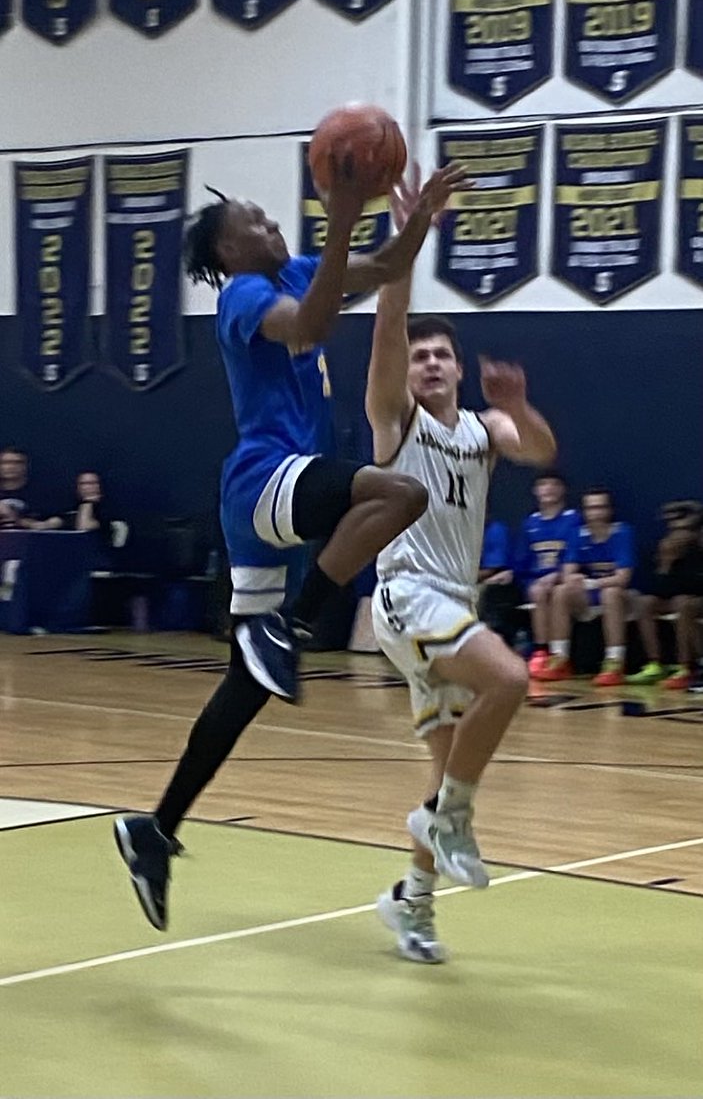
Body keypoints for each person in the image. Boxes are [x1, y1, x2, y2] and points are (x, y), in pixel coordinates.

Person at [114, 155, 465, 931]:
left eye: (274, 218)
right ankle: (298, 621)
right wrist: (338, 219)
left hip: (280, 493)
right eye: (258, 222)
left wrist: (417, 220)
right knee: (401, 492)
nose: (273, 226)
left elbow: (385, 266)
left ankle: (156, 829)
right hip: (265, 479)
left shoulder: (298, 270)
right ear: (229, 249)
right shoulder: (243, 295)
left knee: (246, 686)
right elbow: (309, 325)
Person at [367, 203, 556, 963]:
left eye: (442, 354)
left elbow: (538, 450)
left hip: (450, 601)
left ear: (456, 365)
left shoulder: (483, 429)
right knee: (509, 679)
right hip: (406, 594)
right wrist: (406, 249)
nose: (431, 363)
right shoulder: (395, 421)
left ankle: (412, 905)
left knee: (448, 769)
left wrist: (516, 405)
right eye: (420, 356)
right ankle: (449, 821)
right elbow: (388, 328)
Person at [535, 488, 636, 686]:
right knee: (561, 591)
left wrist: (592, 583)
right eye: (590, 508)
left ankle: (615, 662)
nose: (595, 513)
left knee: (611, 593)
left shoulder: (622, 532)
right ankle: (559, 658)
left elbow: (623, 578)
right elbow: (568, 572)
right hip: (590, 596)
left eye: (600, 507)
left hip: (625, 598)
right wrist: (574, 579)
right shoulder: (577, 533)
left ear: (609, 510)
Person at [626, 501, 703, 691]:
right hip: (684, 596)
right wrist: (666, 564)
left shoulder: (699, 544)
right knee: (644, 602)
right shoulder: (669, 546)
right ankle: (655, 664)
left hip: (692, 598)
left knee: (683, 603)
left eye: (682, 527)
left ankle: (686, 667)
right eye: (672, 527)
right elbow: (657, 589)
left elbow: (695, 585)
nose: (677, 533)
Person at [513, 471, 580, 678]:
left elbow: (574, 557)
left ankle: (558, 656)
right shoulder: (530, 523)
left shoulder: (573, 519)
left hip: (565, 580)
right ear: (535, 490)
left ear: (562, 490)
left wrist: (557, 576)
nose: (548, 488)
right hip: (536, 582)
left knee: (556, 591)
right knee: (538, 591)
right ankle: (541, 652)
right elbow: (521, 563)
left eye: (553, 484)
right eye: (543, 484)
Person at [477, 516, 522, 647]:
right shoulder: (461, 532)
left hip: (499, 584)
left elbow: (492, 569)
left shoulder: (496, 530)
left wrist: (465, 578)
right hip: (467, 581)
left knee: (478, 593)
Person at [0, 447, 41, 529]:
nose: (11, 467)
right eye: (5, 463)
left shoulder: (42, 494)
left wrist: (42, 524)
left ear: (27, 466)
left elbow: (61, 517)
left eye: (17, 462)